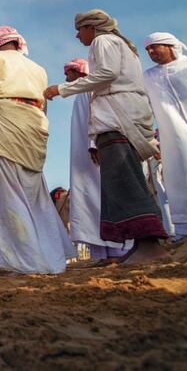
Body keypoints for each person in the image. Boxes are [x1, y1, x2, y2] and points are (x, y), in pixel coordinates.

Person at [45, 10, 169, 264]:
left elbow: (106, 74)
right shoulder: (120, 45)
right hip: (120, 117)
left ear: (92, 27)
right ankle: (140, 245)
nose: (77, 35)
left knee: (125, 181)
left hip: (116, 119)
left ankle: (149, 245)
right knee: (122, 180)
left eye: (80, 29)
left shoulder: (104, 42)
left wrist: (62, 89)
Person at [0, 25, 75, 274]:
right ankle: (50, 259)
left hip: (4, 131)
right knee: (34, 196)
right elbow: (43, 105)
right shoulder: (38, 68)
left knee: (8, 196)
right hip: (33, 131)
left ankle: (24, 262)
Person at [63, 58, 132, 261]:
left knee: (103, 198)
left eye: (69, 73)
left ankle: (118, 251)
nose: (66, 78)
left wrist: (94, 144)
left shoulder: (91, 90)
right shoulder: (82, 94)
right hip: (83, 159)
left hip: (94, 155)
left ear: (79, 73)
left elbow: (99, 116)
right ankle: (100, 254)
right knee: (89, 201)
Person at [143, 32, 187, 239]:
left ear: (170, 46)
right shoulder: (147, 76)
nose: (151, 52)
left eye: (155, 47)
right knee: (181, 176)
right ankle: (185, 233)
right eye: (148, 49)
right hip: (173, 136)